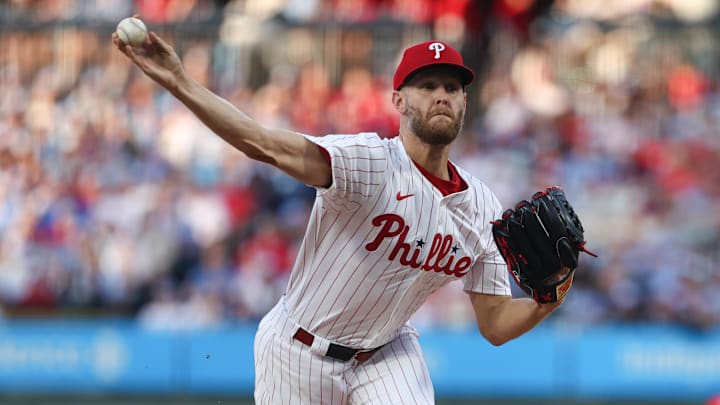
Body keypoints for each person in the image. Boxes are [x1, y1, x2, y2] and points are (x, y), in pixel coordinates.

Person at [113, 29, 567, 404]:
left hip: (387, 354)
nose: (441, 96)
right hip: (297, 350)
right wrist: (179, 82)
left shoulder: (483, 206)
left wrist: (546, 303)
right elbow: (262, 143)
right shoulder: (365, 162)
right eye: (426, 86)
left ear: (465, 102)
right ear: (400, 100)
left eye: (451, 87)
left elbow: (494, 323)